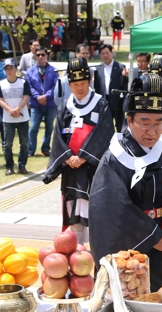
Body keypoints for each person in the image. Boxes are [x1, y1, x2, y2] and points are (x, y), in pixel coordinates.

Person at [88, 73, 162, 291]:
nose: (152, 132)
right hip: (131, 252)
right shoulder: (114, 159)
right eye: (144, 123)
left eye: (159, 123)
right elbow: (113, 210)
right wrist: (153, 236)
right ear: (129, 120)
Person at [44, 57, 114, 244]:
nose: (80, 88)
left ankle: (97, 260)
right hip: (71, 171)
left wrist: (83, 156)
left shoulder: (101, 104)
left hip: (93, 169)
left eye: (83, 83)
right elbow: (57, 136)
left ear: (89, 81)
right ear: (69, 84)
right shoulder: (65, 107)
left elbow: (105, 134)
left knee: (95, 218)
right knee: (74, 218)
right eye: (75, 84)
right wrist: (67, 157)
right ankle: (77, 260)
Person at [0, 58, 30, 175]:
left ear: (16, 68)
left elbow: (26, 97)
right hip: (8, 119)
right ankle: (9, 166)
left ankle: (22, 165)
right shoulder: (1, 84)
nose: (9, 70)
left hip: (22, 117)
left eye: (11, 68)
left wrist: (18, 109)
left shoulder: (23, 82)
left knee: (24, 143)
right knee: (7, 144)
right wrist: (11, 110)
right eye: (7, 68)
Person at [26, 47, 59, 157]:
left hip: (50, 103)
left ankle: (45, 148)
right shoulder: (30, 72)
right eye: (38, 55)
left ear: (47, 56)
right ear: (35, 56)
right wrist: (38, 97)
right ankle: (31, 150)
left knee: (49, 127)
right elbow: (29, 86)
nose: (40, 57)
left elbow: (56, 86)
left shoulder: (53, 70)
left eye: (43, 55)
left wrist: (46, 96)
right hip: (36, 104)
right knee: (33, 127)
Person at [93, 44, 128, 132]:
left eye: (107, 53)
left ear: (111, 53)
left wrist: (124, 76)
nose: (105, 55)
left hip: (117, 101)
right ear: (100, 55)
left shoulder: (120, 67)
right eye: (103, 53)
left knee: (119, 124)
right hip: (104, 100)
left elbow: (123, 85)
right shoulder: (98, 68)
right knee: (105, 125)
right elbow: (97, 86)